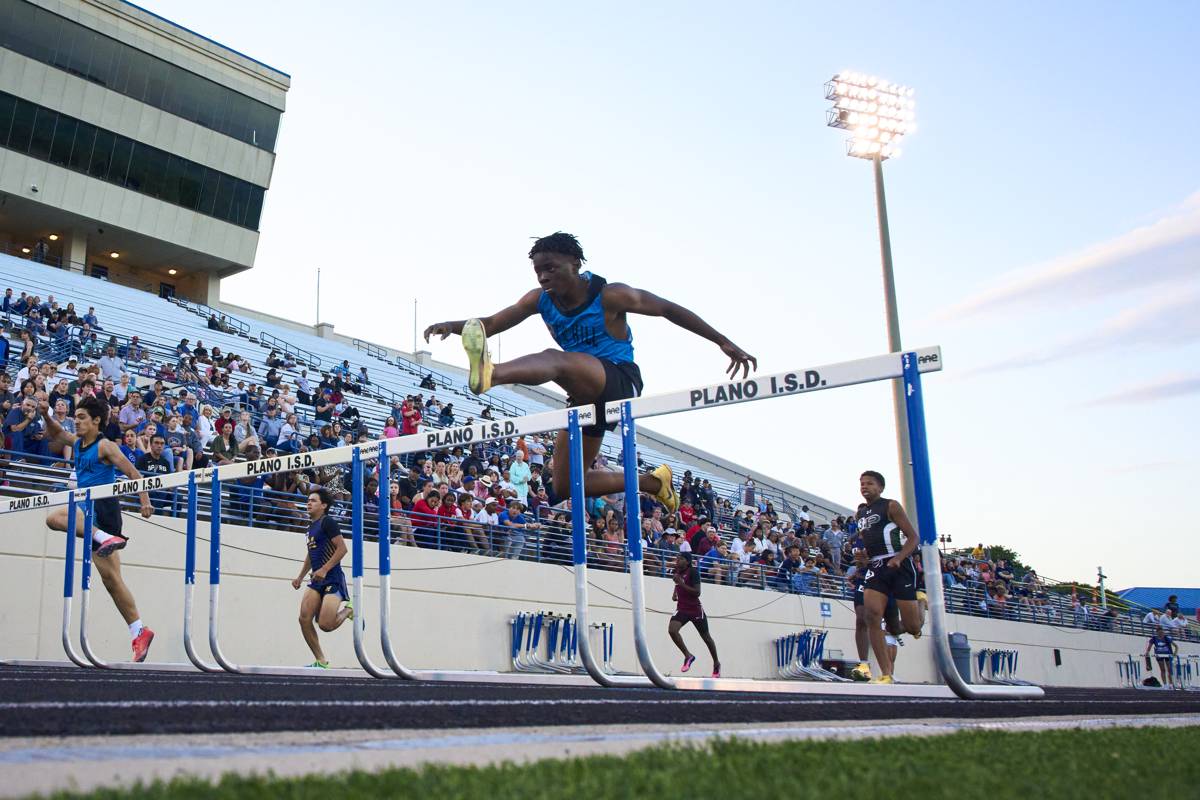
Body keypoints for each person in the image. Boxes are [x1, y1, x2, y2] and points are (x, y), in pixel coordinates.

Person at [424, 232, 756, 513]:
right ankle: (653, 482)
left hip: (618, 380)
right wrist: (451, 326)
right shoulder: (539, 300)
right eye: (538, 272)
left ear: (576, 264)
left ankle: (491, 374)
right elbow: (492, 324)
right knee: (566, 483)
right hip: (583, 393)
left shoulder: (610, 295)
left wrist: (721, 341)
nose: (543, 278)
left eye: (551, 269)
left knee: (555, 359)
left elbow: (667, 309)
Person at [41, 396, 156, 662]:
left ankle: (105, 537)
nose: (76, 421)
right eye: (75, 417)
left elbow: (132, 473)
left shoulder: (105, 446)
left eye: (82, 417)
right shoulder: (78, 443)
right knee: (111, 581)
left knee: (55, 517)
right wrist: (45, 415)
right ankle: (139, 630)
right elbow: (57, 432)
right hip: (88, 513)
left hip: (103, 510)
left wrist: (145, 501)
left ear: (96, 421)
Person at [855, 470, 923, 684]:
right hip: (876, 567)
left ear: (880, 487)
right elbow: (870, 542)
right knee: (871, 616)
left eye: (870, 483)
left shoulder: (891, 505)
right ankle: (886, 674)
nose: (865, 487)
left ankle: (921, 602)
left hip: (898, 565)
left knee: (912, 627)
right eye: (862, 483)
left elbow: (913, 538)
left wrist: (899, 558)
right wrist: (863, 558)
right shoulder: (861, 514)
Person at [291, 488, 354, 669]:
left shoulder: (328, 522)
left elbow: (342, 548)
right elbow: (311, 554)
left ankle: (348, 611)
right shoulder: (310, 527)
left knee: (325, 625)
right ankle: (321, 660)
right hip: (316, 580)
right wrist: (300, 576)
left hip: (332, 578)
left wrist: (325, 569)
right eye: (308, 500)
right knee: (304, 619)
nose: (308, 503)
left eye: (313, 500)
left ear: (324, 505)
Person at [667, 552, 720, 677]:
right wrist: (675, 593)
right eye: (677, 558)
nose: (677, 560)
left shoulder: (693, 572)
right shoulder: (677, 572)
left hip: (695, 609)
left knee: (706, 637)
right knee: (672, 630)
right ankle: (688, 655)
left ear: (687, 561)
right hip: (682, 608)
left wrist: (681, 584)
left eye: (680, 559)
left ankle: (716, 663)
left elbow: (697, 592)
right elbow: (678, 583)